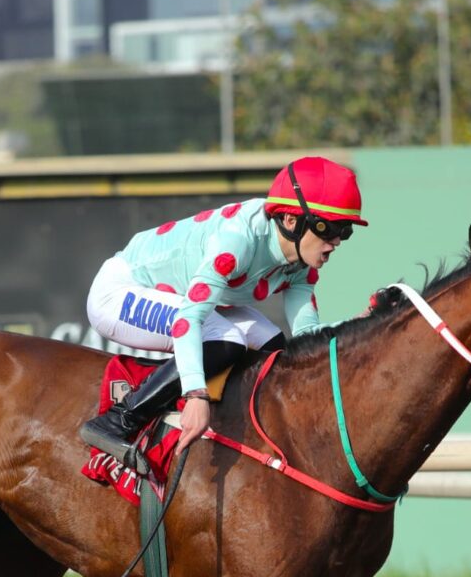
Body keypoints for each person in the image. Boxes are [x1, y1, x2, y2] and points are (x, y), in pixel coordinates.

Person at [79, 155, 368, 471]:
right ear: (290, 220)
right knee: (227, 338)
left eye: (345, 231)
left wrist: (362, 325)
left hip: (179, 299)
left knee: (275, 347)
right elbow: (188, 319)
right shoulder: (238, 240)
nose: (337, 241)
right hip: (119, 291)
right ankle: (117, 422)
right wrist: (196, 395)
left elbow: (307, 337)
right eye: (329, 228)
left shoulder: (301, 265)